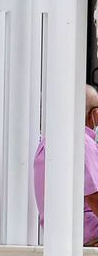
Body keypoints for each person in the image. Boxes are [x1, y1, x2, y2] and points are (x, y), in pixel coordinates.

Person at [31, 85, 98, 247]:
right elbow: (93, 196)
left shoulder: (47, 142)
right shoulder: (83, 142)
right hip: (86, 229)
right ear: (94, 114)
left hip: (58, 230)